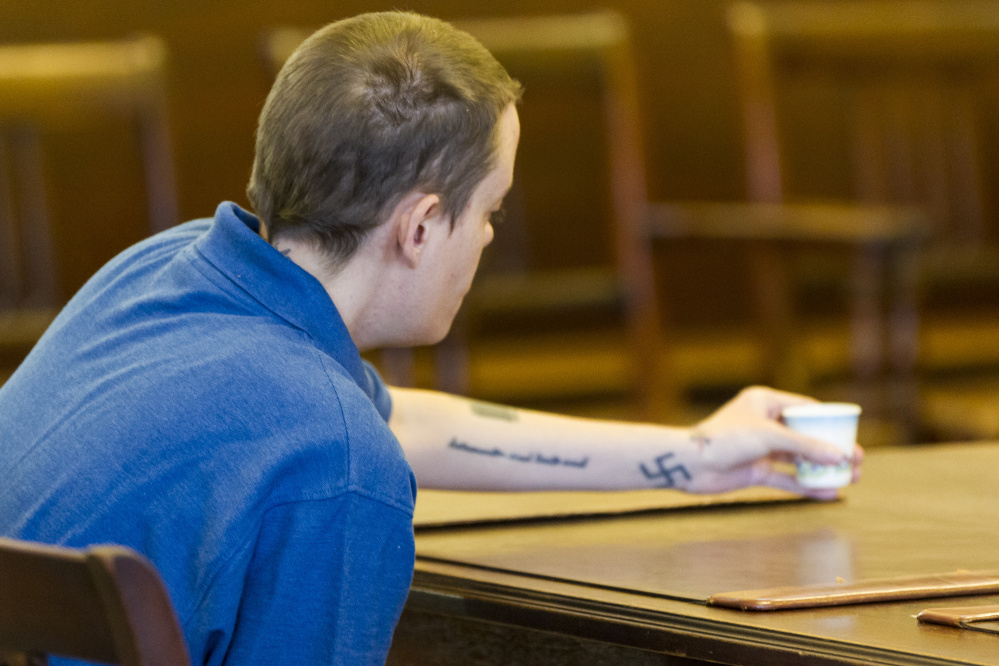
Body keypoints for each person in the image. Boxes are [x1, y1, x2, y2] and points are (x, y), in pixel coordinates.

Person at [0, 11, 860, 666]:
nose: (487, 238)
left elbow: (394, 425)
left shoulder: (169, 270)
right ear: (418, 228)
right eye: (489, 210)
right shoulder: (335, 461)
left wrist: (694, 458)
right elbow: (358, 447)